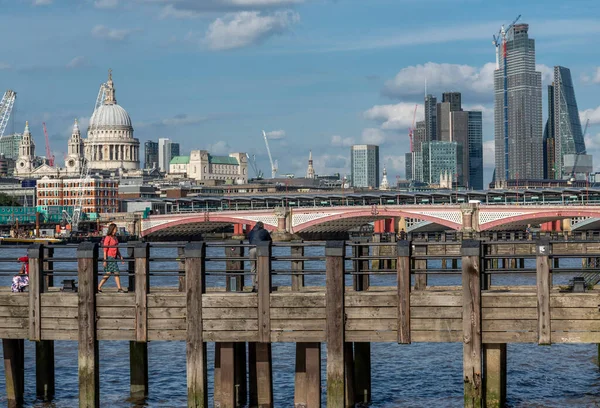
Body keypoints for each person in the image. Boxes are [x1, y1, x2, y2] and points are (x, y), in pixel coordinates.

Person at [98, 223, 126, 293]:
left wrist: (120, 256)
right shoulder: (108, 237)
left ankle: (99, 287)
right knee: (115, 272)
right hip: (109, 257)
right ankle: (119, 288)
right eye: (115, 229)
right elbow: (105, 249)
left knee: (108, 273)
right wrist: (105, 260)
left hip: (114, 257)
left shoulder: (115, 238)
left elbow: (117, 248)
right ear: (112, 229)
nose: (116, 230)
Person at [248, 221, 272, 291]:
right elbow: (269, 240)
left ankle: (253, 285)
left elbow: (249, 239)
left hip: (251, 249)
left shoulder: (251, 231)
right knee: (259, 267)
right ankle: (258, 285)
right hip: (260, 249)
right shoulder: (264, 231)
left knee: (253, 267)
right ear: (262, 226)